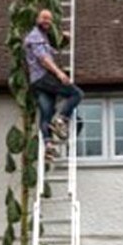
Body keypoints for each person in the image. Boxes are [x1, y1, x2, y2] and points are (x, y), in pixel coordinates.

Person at [23, 9, 83, 160]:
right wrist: (59, 73)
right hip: (43, 77)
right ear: (37, 19)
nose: (47, 21)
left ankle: (48, 146)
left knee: (47, 113)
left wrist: (66, 40)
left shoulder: (43, 36)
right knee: (76, 94)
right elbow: (44, 59)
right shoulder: (35, 37)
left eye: (49, 19)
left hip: (36, 82)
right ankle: (61, 119)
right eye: (44, 18)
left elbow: (53, 49)